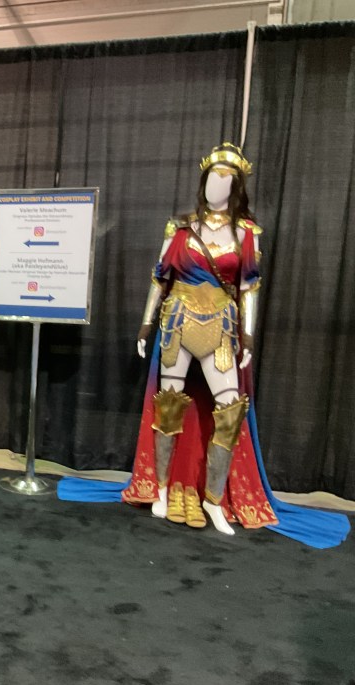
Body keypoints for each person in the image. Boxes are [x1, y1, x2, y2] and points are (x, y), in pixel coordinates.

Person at [126, 143, 276, 535]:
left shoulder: (247, 233)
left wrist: (248, 336)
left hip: (221, 326)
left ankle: (213, 502)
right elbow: (160, 278)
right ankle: (159, 489)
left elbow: (249, 287)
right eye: (212, 178)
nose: (217, 186)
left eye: (226, 180)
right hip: (177, 320)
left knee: (228, 412)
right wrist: (145, 325)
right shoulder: (179, 228)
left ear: (238, 187)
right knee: (169, 408)